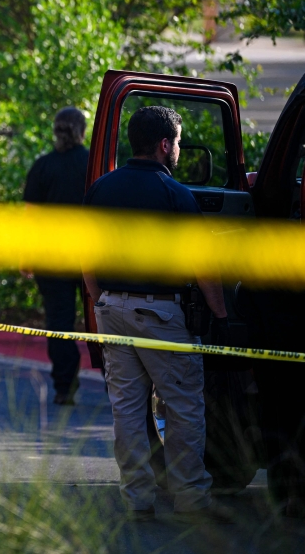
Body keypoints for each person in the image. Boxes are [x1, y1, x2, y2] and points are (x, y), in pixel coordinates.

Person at [82, 105, 232, 524]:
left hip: (111, 310)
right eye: (179, 142)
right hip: (161, 314)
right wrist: (221, 317)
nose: (179, 148)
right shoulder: (176, 194)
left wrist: (99, 301)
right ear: (165, 145)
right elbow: (204, 266)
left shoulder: (101, 189)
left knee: (127, 409)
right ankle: (191, 498)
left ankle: (137, 499)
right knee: (183, 407)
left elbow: (85, 254)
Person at [21, 107, 89, 405]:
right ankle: (119, 386)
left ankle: (64, 387)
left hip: (51, 258)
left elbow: (31, 218)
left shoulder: (43, 166)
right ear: (82, 131)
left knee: (59, 324)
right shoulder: (94, 163)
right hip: (90, 256)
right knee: (103, 322)